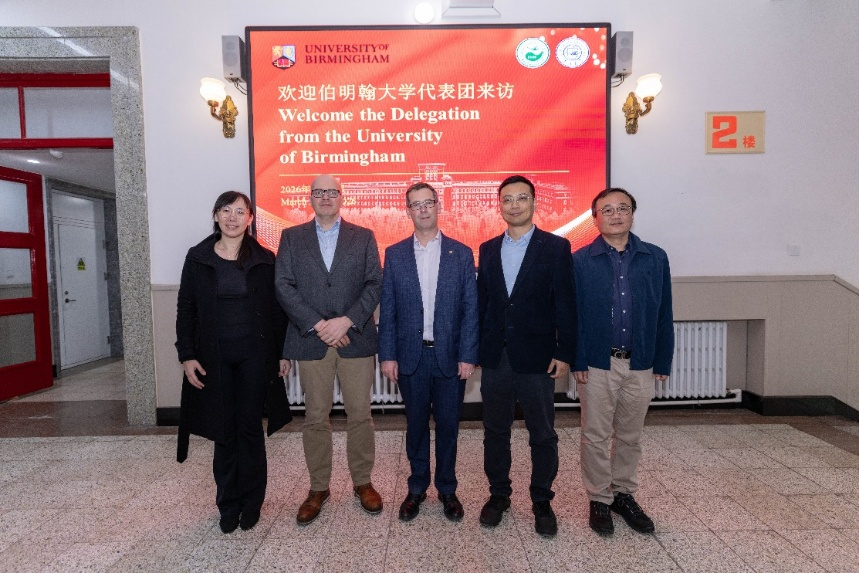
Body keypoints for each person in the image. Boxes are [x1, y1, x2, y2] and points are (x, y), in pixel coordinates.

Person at [176, 190, 291, 534]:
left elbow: (276, 311)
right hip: (213, 360)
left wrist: (282, 353)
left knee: (250, 430)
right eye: (226, 210)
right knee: (223, 431)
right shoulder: (198, 257)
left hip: (254, 357)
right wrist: (186, 355)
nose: (232, 217)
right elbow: (186, 308)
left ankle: (252, 503)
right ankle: (228, 504)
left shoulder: (265, 258)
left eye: (240, 211)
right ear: (215, 215)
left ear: (250, 218)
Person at [275, 174, 383, 524]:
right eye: (318, 192)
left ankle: (363, 482)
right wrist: (320, 325)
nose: (325, 197)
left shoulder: (363, 236)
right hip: (312, 340)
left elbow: (374, 283)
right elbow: (283, 285)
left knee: (360, 415)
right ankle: (318, 488)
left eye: (331, 192)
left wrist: (347, 321)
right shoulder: (292, 237)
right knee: (315, 417)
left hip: (355, 338)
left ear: (341, 197)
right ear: (309, 198)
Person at [476, 175, 576, 538]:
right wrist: (476, 349)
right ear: (500, 206)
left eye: (521, 198)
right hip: (496, 358)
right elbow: (483, 304)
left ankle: (542, 499)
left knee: (543, 433)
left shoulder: (556, 247)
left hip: (538, 357)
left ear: (534, 203)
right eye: (507, 199)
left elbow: (566, 303)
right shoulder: (487, 248)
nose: (514, 205)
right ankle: (498, 494)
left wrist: (564, 352)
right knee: (495, 431)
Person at [572, 187, 674, 536]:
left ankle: (623, 495)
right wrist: (578, 359)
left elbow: (664, 311)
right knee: (595, 435)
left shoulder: (655, 258)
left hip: (640, 362)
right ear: (595, 218)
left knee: (631, 435)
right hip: (597, 363)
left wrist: (662, 358)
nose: (616, 215)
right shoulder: (580, 260)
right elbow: (574, 317)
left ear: (632, 213)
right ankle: (599, 499)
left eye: (623, 208)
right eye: (608, 210)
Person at [378, 182, 478, 522]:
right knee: (416, 425)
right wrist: (387, 354)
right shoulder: (395, 254)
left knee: (449, 426)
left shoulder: (460, 253)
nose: (422, 209)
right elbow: (389, 309)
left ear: (438, 206)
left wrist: (468, 355)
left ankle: (447, 488)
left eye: (428, 203)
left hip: (449, 358)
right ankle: (417, 486)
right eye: (415, 204)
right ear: (408, 210)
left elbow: (470, 309)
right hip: (412, 357)